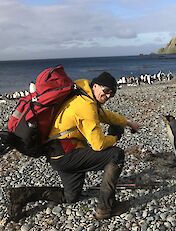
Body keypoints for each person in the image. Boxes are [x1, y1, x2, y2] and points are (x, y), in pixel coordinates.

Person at [7, 72, 140, 222]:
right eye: (106, 91)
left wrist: (127, 122)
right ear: (95, 86)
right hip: (68, 155)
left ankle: (22, 195)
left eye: (112, 94)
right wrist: (115, 137)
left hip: (57, 155)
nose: (108, 96)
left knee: (70, 197)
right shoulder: (86, 105)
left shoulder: (82, 95)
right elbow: (99, 144)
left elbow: (105, 115)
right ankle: (106, 208)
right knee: (116, 155)